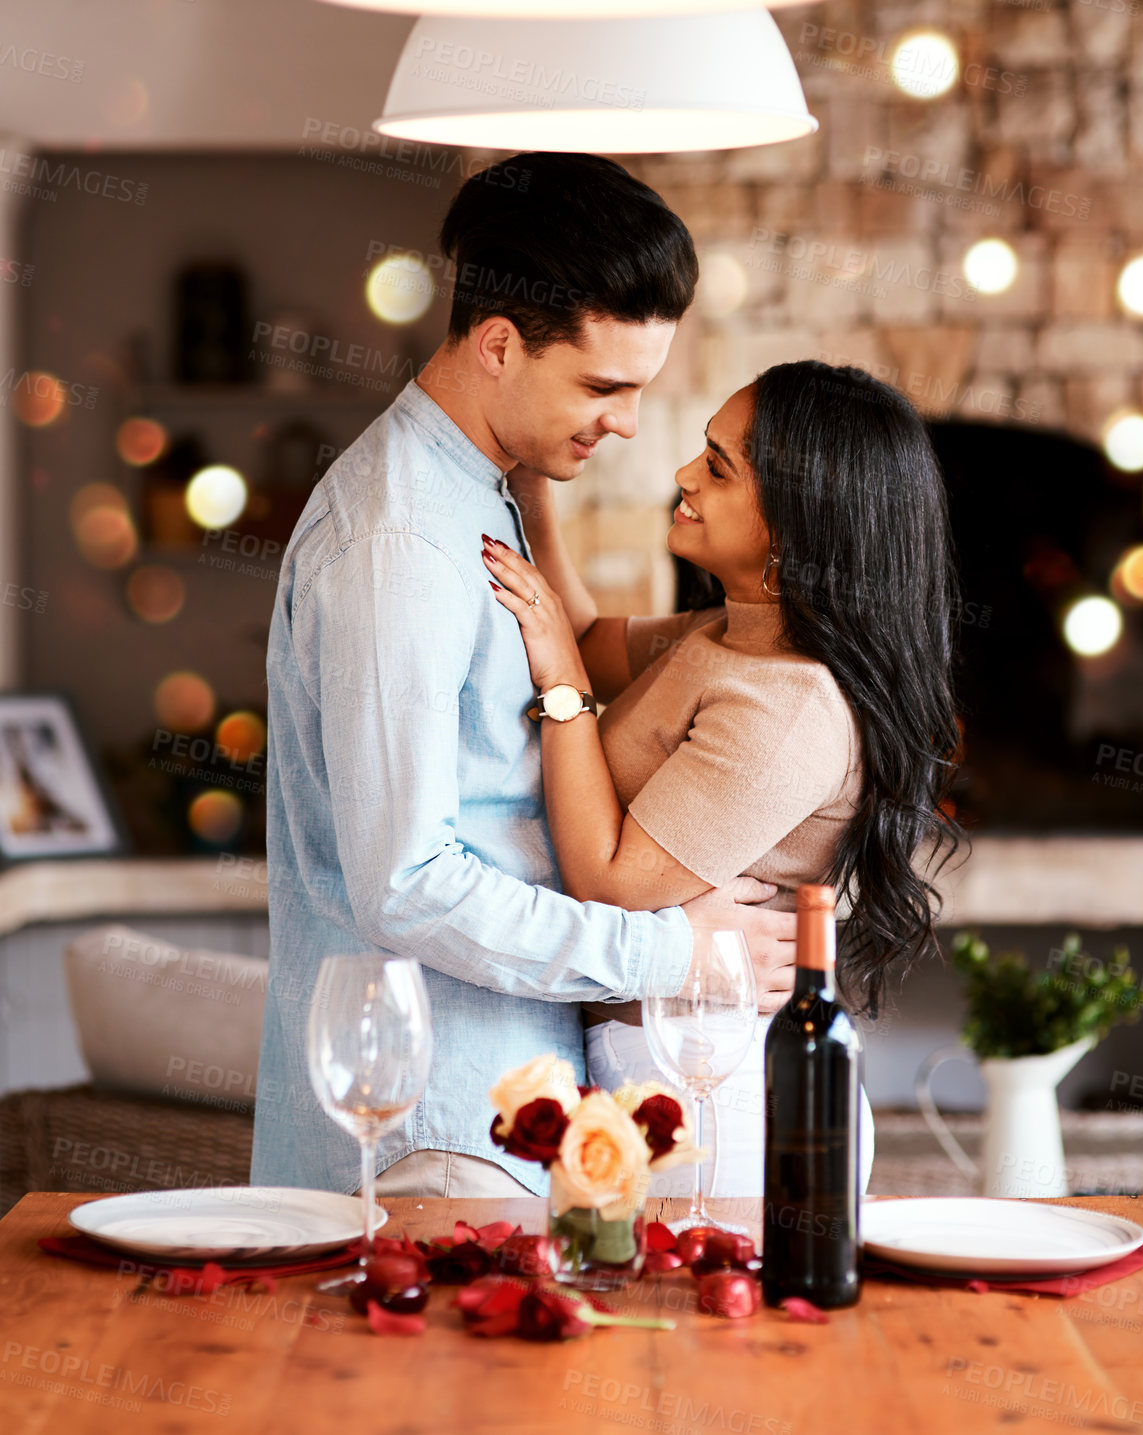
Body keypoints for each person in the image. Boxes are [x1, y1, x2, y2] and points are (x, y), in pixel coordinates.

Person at [250, 152, 799, 1201]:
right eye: (604, 386)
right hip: (429, 1140)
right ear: (499, 345)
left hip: (495, 1119)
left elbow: (580, 666)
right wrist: (667, 953)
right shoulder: (398, 544)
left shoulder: (484, 490)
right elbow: (404, 885)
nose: (630, 422)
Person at [484, 360, 964, 1195]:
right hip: (659, 1065)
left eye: (716, 466)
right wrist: (528, 486)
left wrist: (560, 686)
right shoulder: (728, 633)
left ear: (793, 524)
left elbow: (609, 879)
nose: (681, 476)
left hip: (712, 1096)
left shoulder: (788, 704)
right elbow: (590, 634)